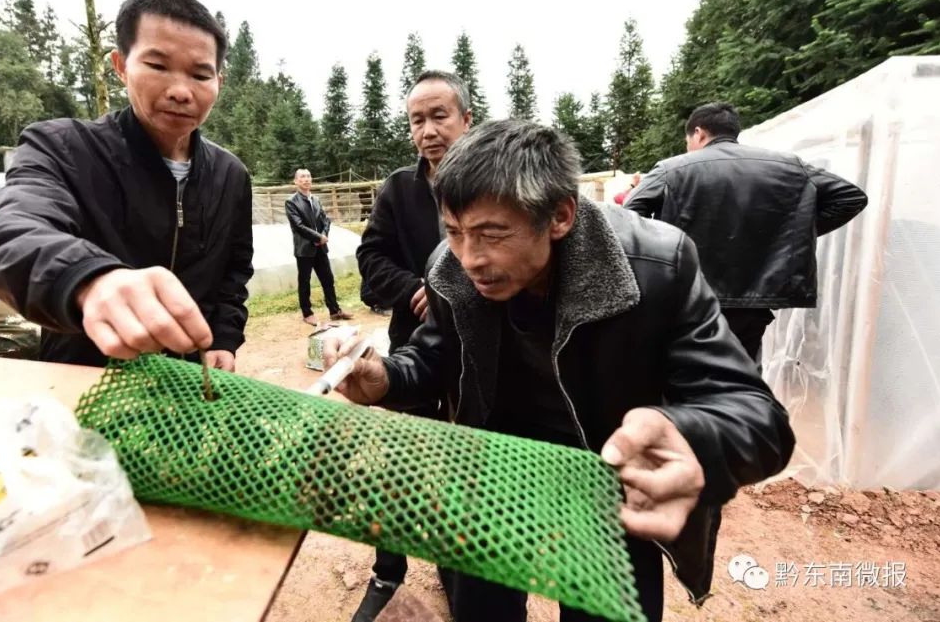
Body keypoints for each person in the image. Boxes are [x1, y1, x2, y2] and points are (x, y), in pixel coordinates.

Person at [325, 120, 796, 622]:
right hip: (494, 480)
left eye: (492, 234)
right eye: (456, 232)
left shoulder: (658, 264)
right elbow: (436, 356)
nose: (471, 258)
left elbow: (758, 418)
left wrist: (692, 436)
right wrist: (388, 378)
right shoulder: (450, 267)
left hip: (609, 486)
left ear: (560, 216)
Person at [0, 0, 253, 369]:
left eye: (200, 74)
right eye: (158, 66)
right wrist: (90, 278)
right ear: (120, 65)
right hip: (86, 376)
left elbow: (234, 270)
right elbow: (4, 235)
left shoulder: (231, 175)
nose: (181, 91)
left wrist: (224, 338)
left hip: (189, 378)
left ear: (219, 82)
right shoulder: (62, 148)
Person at [350, 69, 471, 621]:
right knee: (397, 466)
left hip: (478, 352)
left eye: (439, 115)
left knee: (467, 462)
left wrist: (455, 288)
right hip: (413, 349)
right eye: (417, 120)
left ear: (466, 119)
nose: (428, 130)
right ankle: (388, 572)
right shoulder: (399, 189)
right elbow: (371, 258)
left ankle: (456, 565)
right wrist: (416, 288)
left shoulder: (493, 178)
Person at [625, 102, 868, 362]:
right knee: (743, 370)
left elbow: (630, 214)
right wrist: (790, 232)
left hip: (690, 291)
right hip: (756, 296)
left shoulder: (671, 168)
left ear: (698, 133)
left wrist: (663, 249)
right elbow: (850, 197)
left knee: (686, 370)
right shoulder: (789, 165)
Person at [285, 168, 352, 325]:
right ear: (296, 181)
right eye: (302, 177)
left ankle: (334, 311)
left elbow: (325, 220)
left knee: (328, 279)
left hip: (320, 247)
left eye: (308, 176)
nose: (306, 179)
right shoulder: (291, 202)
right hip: (304, 249)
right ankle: (307, 313)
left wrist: (323, 235)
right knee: (305, 281)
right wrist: (317, 237)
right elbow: (298, 225)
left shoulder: (315, 199)